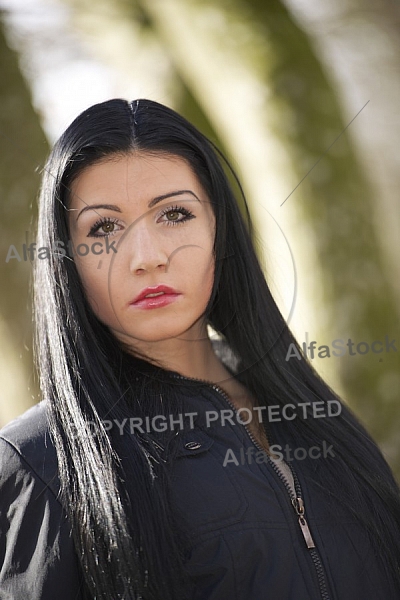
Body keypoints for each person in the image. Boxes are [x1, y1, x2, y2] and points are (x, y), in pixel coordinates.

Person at [0, 98, 399, 600]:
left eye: (174, 214)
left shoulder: (304, 401)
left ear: (219, 231)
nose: (147, 257)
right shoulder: (39, 462)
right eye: (104, 228)